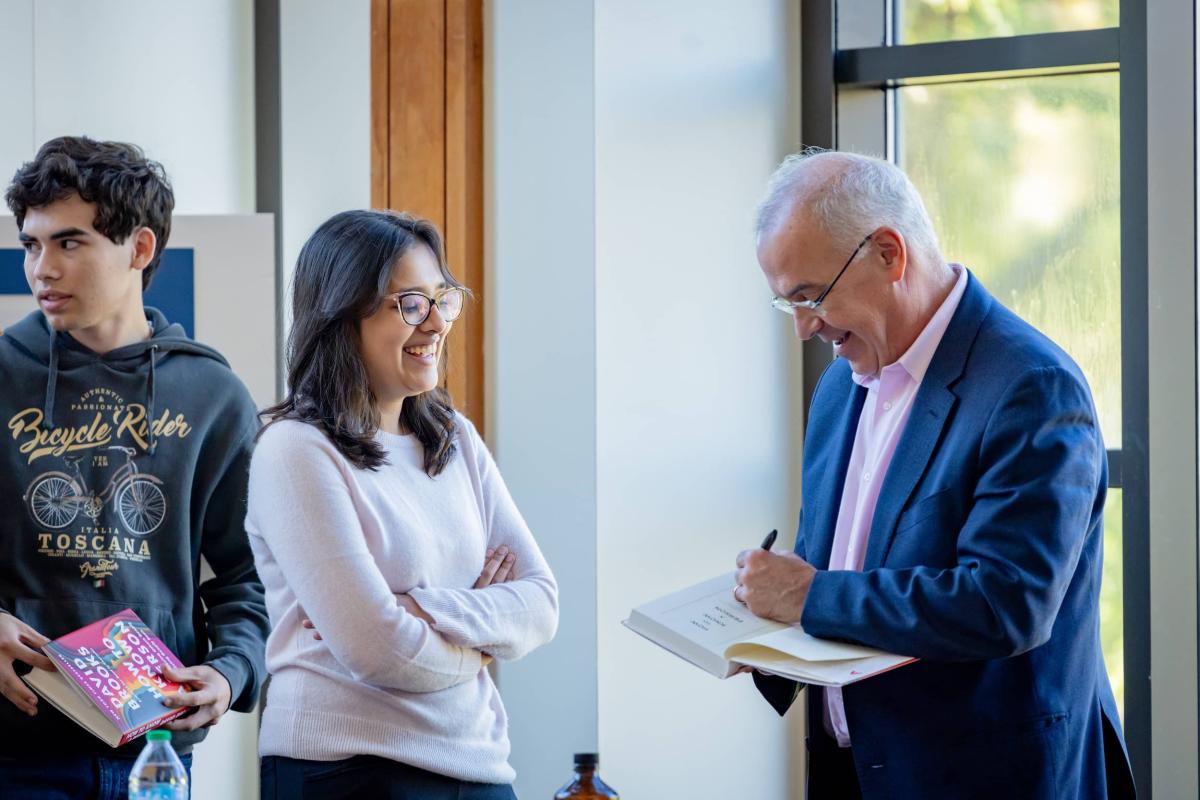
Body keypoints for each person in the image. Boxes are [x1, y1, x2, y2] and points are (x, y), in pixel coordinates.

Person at [735, 149, 1135, 799]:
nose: (805, 326)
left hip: (985, 779)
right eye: (788, 304)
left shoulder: (1031, 385)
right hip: (852, 772)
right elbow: (829, 563)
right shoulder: (842, 385)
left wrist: (807, 597)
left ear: (889, 253)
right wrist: (760, 614)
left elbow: (1006, 602)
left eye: (810, 296)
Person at [248, 209, 559, 799]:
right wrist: (483, 642)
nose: (437, 323)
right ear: (343, 314)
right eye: (411, 303)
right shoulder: (295, 450)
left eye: (445, 299)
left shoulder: (454, 438)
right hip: (348, 772)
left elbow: (541, 603)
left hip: (480, 766)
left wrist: (422, 610)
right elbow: (377, 651)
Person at [0, 136, 269, 796]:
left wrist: (231, 671)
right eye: (32, 245)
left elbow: (251, 575)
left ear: (140, 249)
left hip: (157, 754)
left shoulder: (212, 395)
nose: (42, 269)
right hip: (14, 749)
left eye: (70, 243)